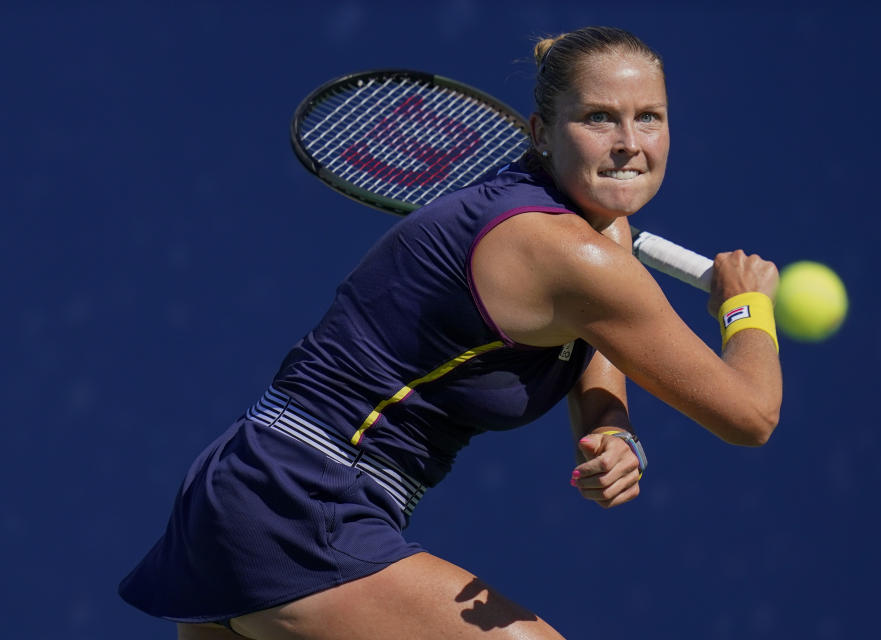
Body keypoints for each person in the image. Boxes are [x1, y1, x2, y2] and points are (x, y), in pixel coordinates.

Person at [119, 25, 781, 640]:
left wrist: (609, 424)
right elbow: (750, 415)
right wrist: (746, 306)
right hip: (302, 502)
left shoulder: (594, 233)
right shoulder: (572, 254)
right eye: (598, 118)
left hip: (253, 484)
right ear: (542, 132)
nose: (629, 143)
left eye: (650, 119)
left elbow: (593, 338)